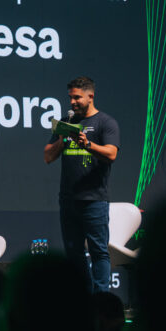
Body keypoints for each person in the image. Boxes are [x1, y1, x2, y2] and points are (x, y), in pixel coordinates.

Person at [44, 76, 120, 293]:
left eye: (77, 98)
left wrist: (88, 144)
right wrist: (62, 139)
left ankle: (101, 300)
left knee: (98, 252)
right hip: (68, 200)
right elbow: (48, 156)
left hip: (94, 200)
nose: (72, 102)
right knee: (73, 253)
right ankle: (84, 299)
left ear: (90, 96)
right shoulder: (66, 123)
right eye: (71, 98)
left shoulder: (106, 122)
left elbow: (111, 154)